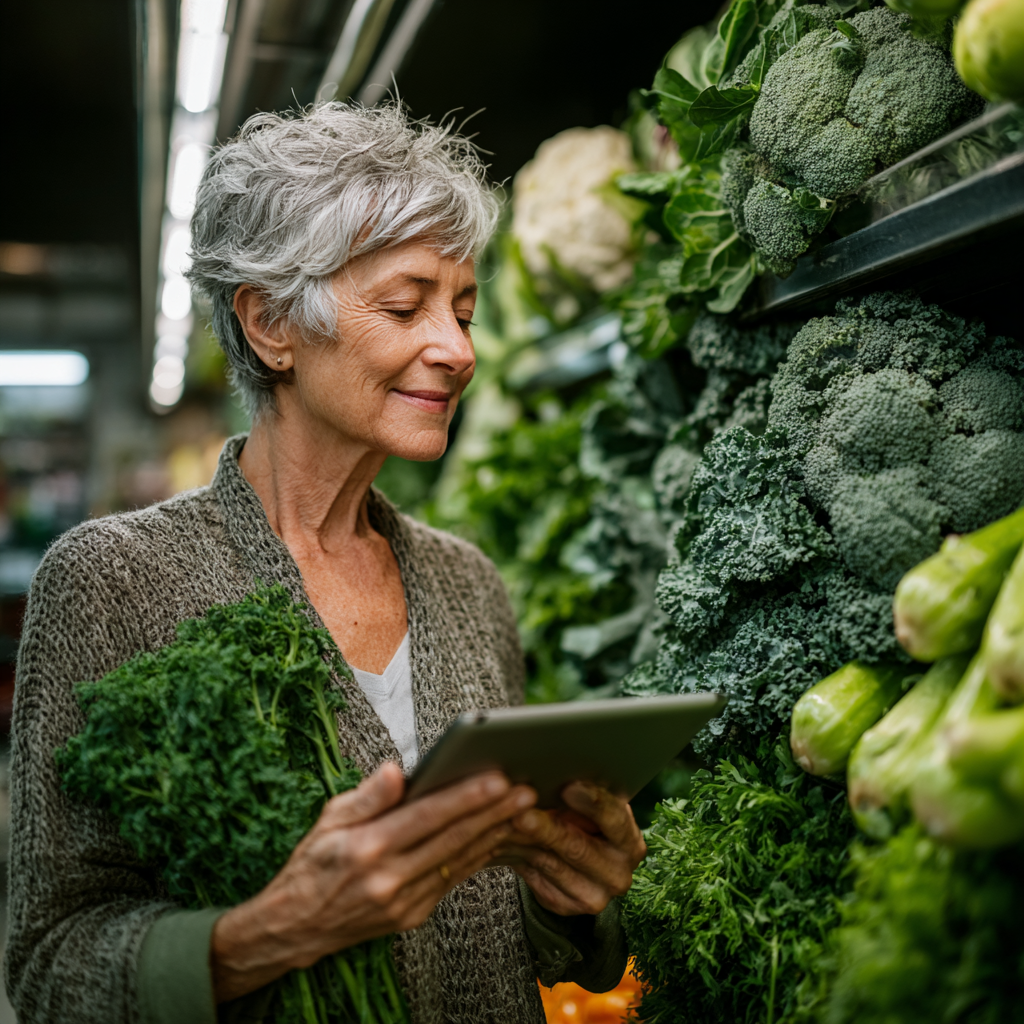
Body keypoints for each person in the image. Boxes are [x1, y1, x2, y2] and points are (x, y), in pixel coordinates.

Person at [4, 103, 646, 1024]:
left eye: (464, 310)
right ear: (271, 324)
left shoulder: (468, 584)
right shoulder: (112, 582)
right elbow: (52, 968)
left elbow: (509, 936)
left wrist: (570, 899)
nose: (458, 350)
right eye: (404, 305)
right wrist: (277, 930)